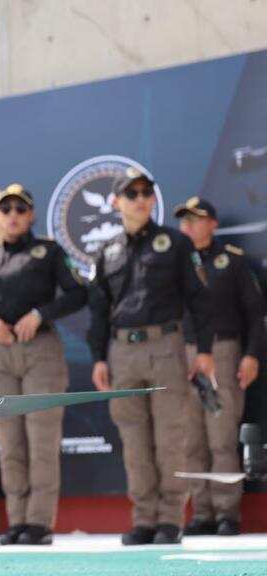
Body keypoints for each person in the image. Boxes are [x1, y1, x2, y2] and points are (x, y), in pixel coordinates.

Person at [88, 168, 216, 546]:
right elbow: (98, 310)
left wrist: (205, 351)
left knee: (170, 439)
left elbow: (199, 299)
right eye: (132, 193)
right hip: (121, 351)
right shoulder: (105, 250)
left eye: (146, 192)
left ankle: (170, 520)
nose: (141, 199)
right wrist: (98, 358)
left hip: (166, 347)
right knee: (135, 441)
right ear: (116, 202)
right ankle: (143, 519)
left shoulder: (175, 243)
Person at [0, 184, 87, 545]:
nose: (12, 215)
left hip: (40, 350)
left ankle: (39, 522)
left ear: (31, 215)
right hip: (1, 357)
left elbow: (79, 293)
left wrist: (40, 313)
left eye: (20, 209)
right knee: (9, 443)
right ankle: (17, 520)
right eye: (6, 209)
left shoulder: (49, 252)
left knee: (41, 439)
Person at [175, 197, 264, 537]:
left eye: (196, 219)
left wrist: (252, 354)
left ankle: (227, 513)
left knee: (222, 438)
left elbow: (256, 314)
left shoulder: (233, 262)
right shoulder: (174, 264)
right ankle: (202, 514)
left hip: (223, 352)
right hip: (183, 355)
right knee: (190, 441)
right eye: (185, 221)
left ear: (212, 223)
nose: (189, 227)